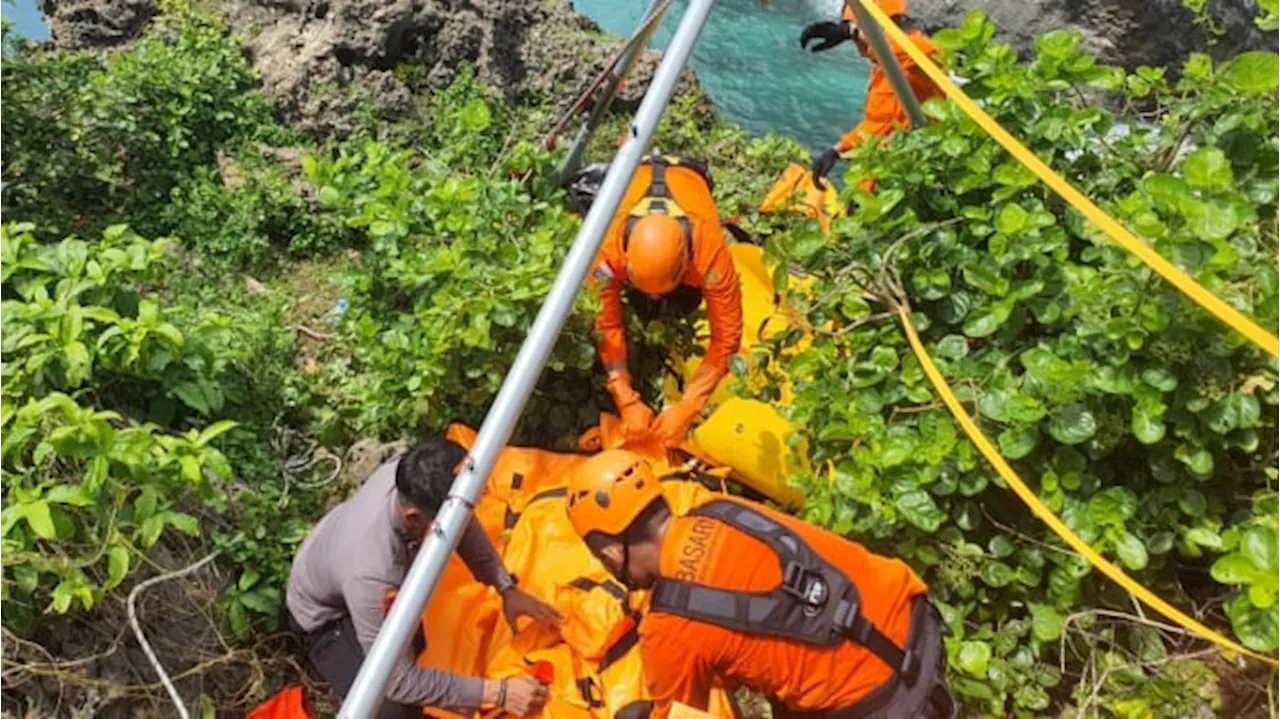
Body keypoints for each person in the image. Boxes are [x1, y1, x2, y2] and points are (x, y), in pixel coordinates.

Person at [564, 450, 955, 719]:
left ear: (612, 554)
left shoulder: (667, 628)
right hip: (920, 626)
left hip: (884, 703)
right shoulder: (724, 511)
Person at [285, 438, 563, 718]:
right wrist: (498, 692)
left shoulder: (412, 474)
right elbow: (398, 681)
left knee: (422, 647)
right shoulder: (373, 575)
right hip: (326, 620)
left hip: (337, 557)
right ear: (413, 517)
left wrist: (506, 587)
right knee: (391, 711)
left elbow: (461, 519)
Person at [585, 152, 744, 449]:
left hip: (691, 177)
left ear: (686, 263)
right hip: (637, 169)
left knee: (684, 303)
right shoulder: (607, 251)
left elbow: (727, 337)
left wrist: (688, 408)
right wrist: (624, 395)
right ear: (626, 262)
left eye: (661, 289)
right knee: (634, 307)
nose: (655, 296)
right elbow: (605, 322)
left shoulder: (711, 256)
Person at [800, 0, 944, 188]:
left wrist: (854, 32)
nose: (860, 52)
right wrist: (837, 150)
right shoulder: (885, 68)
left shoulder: (913, 60)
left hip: (907, 180)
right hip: (879, 177)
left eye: (857, 39)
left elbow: (920, 49)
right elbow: (880, 123)